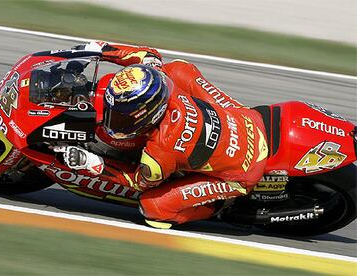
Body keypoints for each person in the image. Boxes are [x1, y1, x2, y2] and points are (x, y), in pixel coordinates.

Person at [62, 41, 268, 228]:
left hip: (243, 170)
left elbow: (137, 182)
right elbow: (148, 55)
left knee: (153, 207)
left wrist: (93, 163)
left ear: (149, 114)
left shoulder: (160, 152)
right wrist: (101, 50)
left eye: (121, 117)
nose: (114, 120)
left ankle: (218, 207)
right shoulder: (161, 80)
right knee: (179, 69)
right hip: (247, 120)